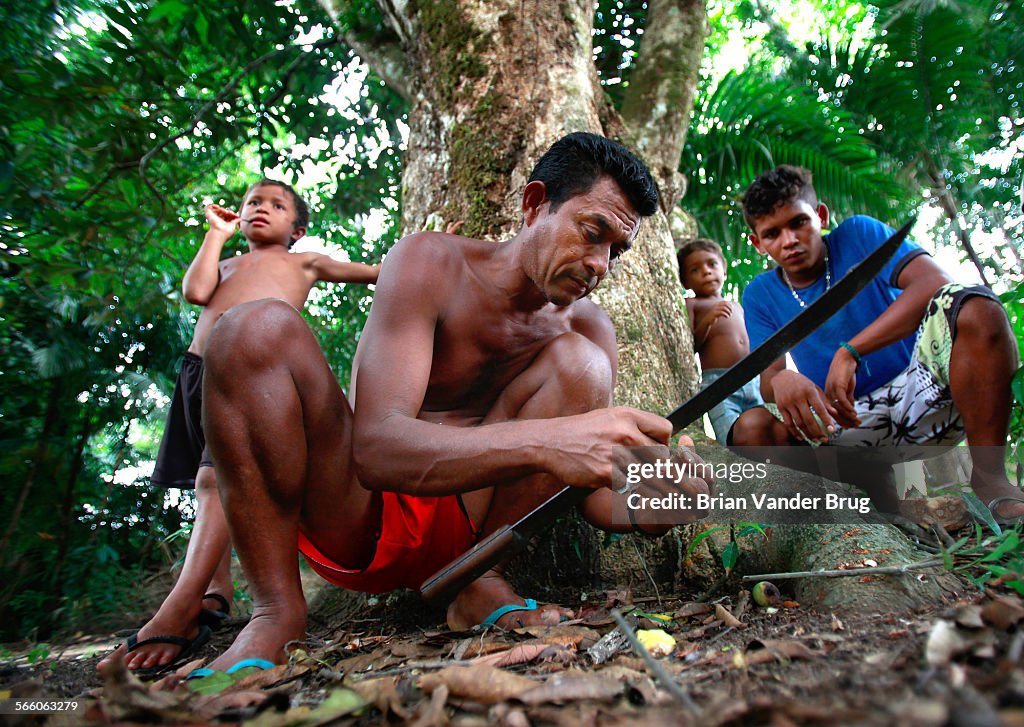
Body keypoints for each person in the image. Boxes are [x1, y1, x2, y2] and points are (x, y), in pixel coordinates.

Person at [154, 132, 710, 673]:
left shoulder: (589, 328)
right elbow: (374, 449)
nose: (600, 265)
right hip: (358, 512)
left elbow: (580, 491)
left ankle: (479, 582)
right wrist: (552, 441)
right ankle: (276, 612)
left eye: (617, 250)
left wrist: (643, 508)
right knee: (249, 327)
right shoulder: (431, 262)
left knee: (582, 361)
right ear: (535, 204)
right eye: (593, 233)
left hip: (474, 534)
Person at [100, 179, 379, 673]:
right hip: (198, 372)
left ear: (298, 229)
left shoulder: (303, 262)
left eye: (276, 205)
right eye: (253, 203)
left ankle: (179, 609)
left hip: (257, 375)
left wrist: (429, 244)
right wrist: (216, 235)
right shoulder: (227, 263)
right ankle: (215, 593)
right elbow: (196, 291)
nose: (259, 210)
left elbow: (374, 273)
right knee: (217, 487)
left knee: (217, 479)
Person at [730, 165, 1021, 518]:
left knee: (978, 309)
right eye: (772, 233)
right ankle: (877, 499)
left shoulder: (858, 234)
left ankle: (990, 479)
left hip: (927, 393)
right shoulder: (760, 293)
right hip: (847, 424)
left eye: (798, 223)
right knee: (750, 429)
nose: (789, 240)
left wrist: (851, 350)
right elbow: (769, 378)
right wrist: (780, 379)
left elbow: (935, 282)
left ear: (820, 216)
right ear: (757, 243)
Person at [678, 238, 763, 443]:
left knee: (761, 429)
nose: (706, 271)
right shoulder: (693, 303)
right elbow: (689, 345)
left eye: (712, 264)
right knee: (732, 437)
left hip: (751, 380)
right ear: (685, 282)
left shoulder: (737, 306)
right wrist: (708, 320)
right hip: (718, 383)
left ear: (724, 272)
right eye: (695, 270)